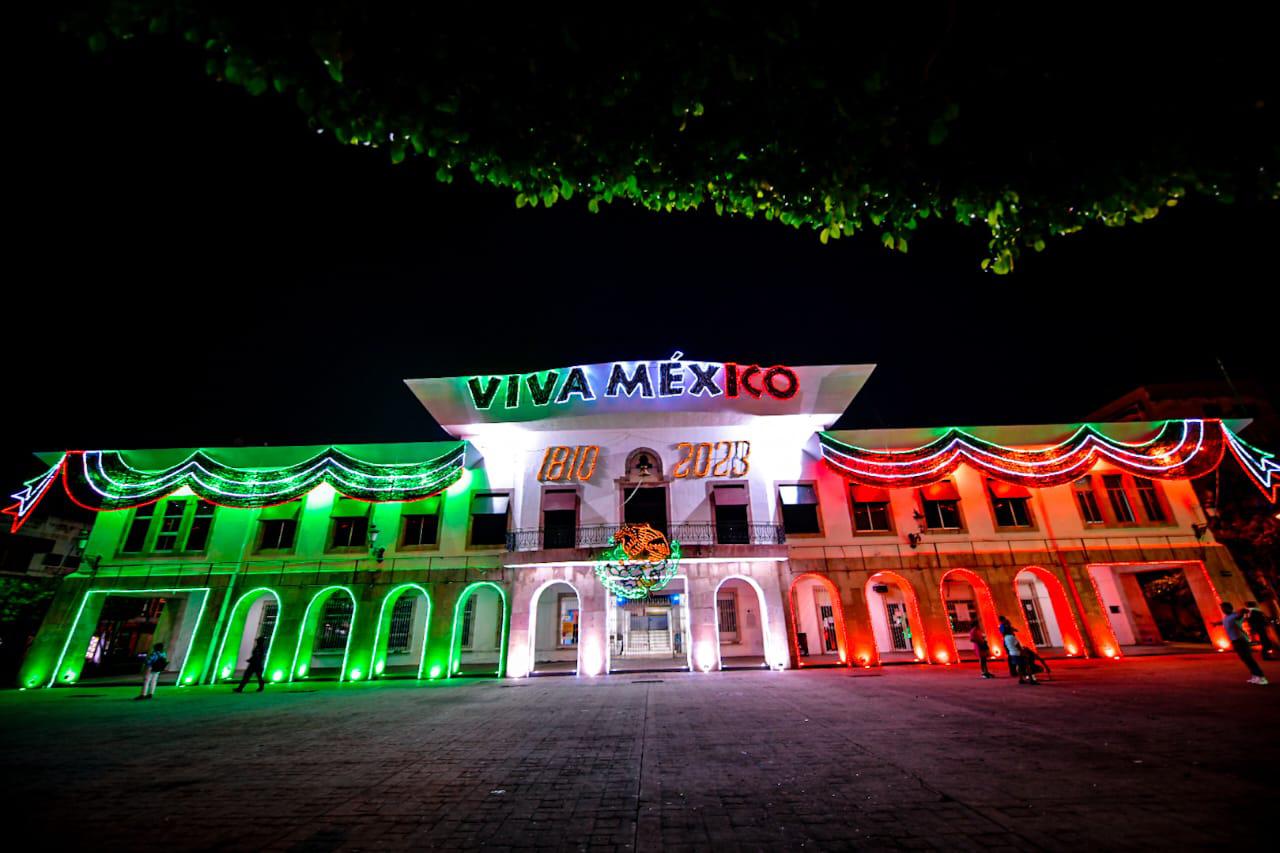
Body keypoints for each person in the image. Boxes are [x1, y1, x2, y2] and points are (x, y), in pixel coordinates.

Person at [1222, 602, 1268, 685]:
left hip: (1241, 641)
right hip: (1235, 641)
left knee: (1249, 659)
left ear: (1229, 608)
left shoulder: (1235, 616)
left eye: (1224, 608)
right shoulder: (1226, 618)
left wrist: (1246, 609)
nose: (1223, 610)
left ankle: (1262, 678)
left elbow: (1243, 613)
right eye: (1222, 608)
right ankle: (1255, 676)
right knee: (1245, 660)